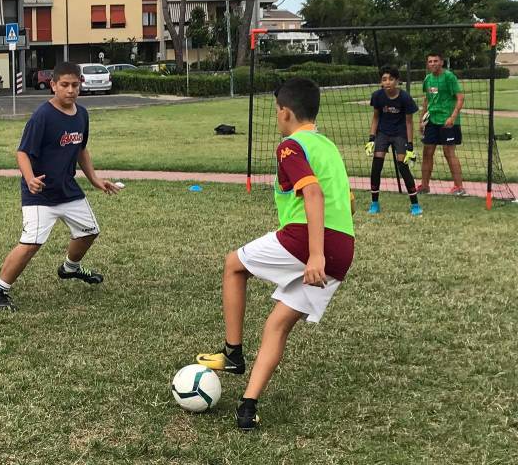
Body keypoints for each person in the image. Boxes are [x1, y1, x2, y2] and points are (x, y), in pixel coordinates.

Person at [195, 77, 355, 431]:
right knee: (277, 324)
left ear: (284, 113)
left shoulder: (289, 146)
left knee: (233, 265)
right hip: (344, 249)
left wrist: (315, 254)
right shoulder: (328, 146)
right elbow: (348, 201)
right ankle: (248, 406)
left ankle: (233, 353)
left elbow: (312, 193)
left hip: (307, 242)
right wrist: (327, 251)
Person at [0, 62, 120, 312]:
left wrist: (95, 180)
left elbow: (81, 149)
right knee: (32, 243)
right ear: (53, 86)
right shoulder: (42, 116)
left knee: (89, 231)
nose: (70, 90)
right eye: (64, 85)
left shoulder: (82, 115)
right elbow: (22, 153)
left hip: (67, 190)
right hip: (40, 193)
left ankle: (70, 268)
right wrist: (30, 178)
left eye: (75, 85)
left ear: (81, 85)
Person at [366, 66, 422, 216]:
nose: (387, 82)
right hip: (383, 133)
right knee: (376, 165)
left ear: (397, 81)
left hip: (400, 134)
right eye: (384, 79)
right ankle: (375, 203)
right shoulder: (377, 96)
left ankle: (415, 204)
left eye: (391, 79)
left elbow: (409, 122)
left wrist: (410, 145)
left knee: (403, 166)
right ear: (381, 82)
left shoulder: (405, 98)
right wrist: (372, 138)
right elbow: (376, 117)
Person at [418, 53, 465, 195]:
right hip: (432, 120)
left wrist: (453, 116)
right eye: (430, 61)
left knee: (448, 152)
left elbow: (460, 98)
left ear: (441, 62)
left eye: (435, 61)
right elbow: (427, 100)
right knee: (427, 152)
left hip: (448, 121)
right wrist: (422, 120)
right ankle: (424, 186)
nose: (433, 63)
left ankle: (459, 187)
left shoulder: (449, 77)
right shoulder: (428, 79)